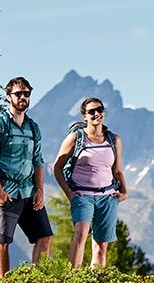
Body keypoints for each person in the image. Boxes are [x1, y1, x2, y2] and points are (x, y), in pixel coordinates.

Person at [0, 76, 52, 278]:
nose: (23, 97)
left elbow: (38, 160)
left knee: (45, 236)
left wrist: (39, 190)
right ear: (8, 96)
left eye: (26, 94)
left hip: (29, 191)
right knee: (3, 240)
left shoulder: (33, 127)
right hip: (6, 192)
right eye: (18, 93)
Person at [53, 97, 127, 268]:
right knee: (81, 233)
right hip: (82, 195)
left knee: (101, 246)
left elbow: (117, 170)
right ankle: (72, 281)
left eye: (99, 110)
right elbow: (57, 168)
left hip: (107, 197)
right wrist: (70, 194)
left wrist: (124, 192)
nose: (97, 114)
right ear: (84, 116)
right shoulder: (75, 138)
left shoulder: (114, 140)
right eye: (91, 111)